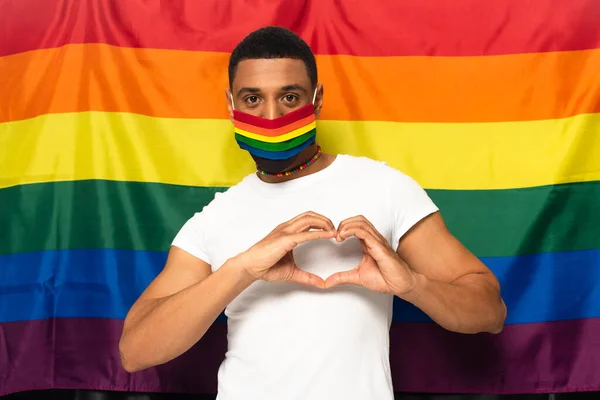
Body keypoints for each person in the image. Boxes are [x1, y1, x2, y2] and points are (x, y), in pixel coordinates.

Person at [119, 26, 507, 400]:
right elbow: (135, 351)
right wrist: (241, 270)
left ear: (317, 99)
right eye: (253, 99)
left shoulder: (384, 186)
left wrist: (411, 284)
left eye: (289, 97)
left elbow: (490, 312)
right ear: (231, 104)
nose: (271, 118)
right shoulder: (212, 219)